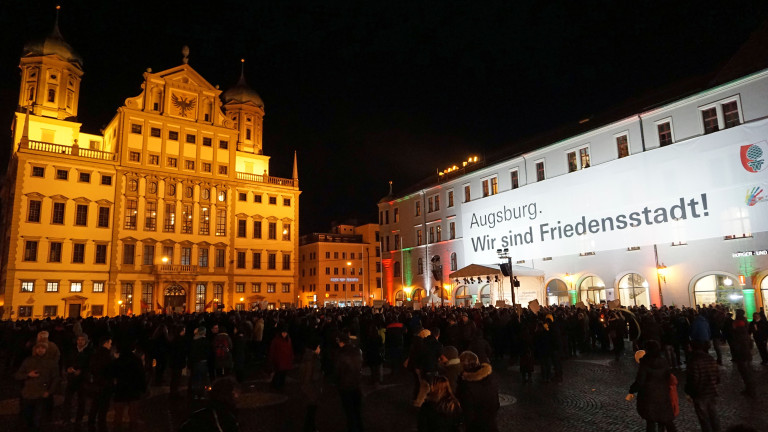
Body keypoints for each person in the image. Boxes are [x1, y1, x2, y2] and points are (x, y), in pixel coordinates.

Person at [626, 340, 678, 432]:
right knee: (664, 419)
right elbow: (668, 377)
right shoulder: (664, 362)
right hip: (663, 394)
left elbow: (640, 381)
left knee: (651, 421)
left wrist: (632, 390)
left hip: (648, 396)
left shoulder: (645, 363)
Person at [15, 342, 60, 432]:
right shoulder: (28, 360)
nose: (40, 350)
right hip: (28, 394)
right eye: (38, 348)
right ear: (35, 349)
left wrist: (49, 391)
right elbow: (18, 375)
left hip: (41, 394)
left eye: (42, 348)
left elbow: (56, 379)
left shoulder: (51, 363)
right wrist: (28, 375)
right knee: (27, 419)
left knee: (38, 420)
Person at [456, 351, 499, 432]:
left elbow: (468, 414)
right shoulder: (491, 379)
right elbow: (496, 404)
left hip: (476, 427)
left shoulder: (467, 386)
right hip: (491, 425)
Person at [685, 341, 720, 432]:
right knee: (714, 417)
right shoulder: (710, 358)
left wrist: (690, 392)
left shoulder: (693, 361)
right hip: (712, 391)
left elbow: (693, 380)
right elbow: (717, 376)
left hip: (700, 394)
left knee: (704, 419)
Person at [112, 342, 147, 430]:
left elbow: (111, 374)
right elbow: (141, 376)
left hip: (121, 390)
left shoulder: (118, 361)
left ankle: (117, 429)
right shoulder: (137, 361)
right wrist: (143, 388)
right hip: (134, 390)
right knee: (133, 415)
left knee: (118, 415)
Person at [336, 331, 364, 432]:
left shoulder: (340, 354)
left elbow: (337, 371)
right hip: (356, 384)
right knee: (357, 410)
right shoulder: (358, 350)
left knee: (349, 411)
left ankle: (352, 428)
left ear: (341, 342)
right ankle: (360, 428)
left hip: (345, 385)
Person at [62, 334, 91, 427]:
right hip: (72, 378)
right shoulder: (72, 350)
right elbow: (67, 360)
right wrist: (68, 368)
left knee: (81, 400)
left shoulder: (90, 351)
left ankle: (79, 419)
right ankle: (66, 418)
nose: (80, 342)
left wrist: (82, 371)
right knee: (67, 400)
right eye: (79, 340)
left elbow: (90, 365)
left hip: (82, 379)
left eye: (82, 340)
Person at [86, 336, 114, 432]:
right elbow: (110, 370)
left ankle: (91, 422)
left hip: (96, 383)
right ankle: (101, 425)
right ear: (105, 343)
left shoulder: (95, 354)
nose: (111, 345)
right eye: (110, 343)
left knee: (95, 404)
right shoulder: (107, 355)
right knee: (103, 407)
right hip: (105, 384)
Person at [300, 338, 323, 432]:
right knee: (311, 412)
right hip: (311, 390)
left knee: (311, 412)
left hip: (310, 389)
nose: (320, 349)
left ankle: (311, 428)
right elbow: (310, 377)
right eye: (319, 347)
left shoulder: (309, 357)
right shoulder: (312, 360)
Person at [731, 309, 755, 397]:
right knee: (746, 370)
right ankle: (750, 388)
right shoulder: (743, 321)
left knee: (745, 371)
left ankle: (750, 389)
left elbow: (739, 335)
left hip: (742, 350)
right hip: (744, 349)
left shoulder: (739, 323)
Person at [188, 326, 210, 399]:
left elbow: (191, 353)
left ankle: (195, 394)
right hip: (203, 362)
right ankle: (202, 393)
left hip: (195, 362)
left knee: (196, 378)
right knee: (203, 378)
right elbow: (208, 352)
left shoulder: (194, 341)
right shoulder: (205, 341)